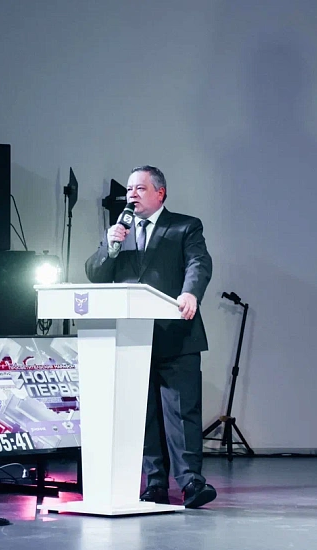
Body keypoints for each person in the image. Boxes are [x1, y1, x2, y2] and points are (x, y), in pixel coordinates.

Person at [85, 165, 217, 508]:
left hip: (176, 335)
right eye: (129, 189)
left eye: (140, 188)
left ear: (160, 192)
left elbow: (198, 263)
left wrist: (190, 293)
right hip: (132, 339)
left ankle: (191, 483)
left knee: (182, 414)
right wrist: (110, 246)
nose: (132, 195)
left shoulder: (185, 226)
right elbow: (95, 274)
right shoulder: (120, 231)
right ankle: (154, 483)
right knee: (142, 416)